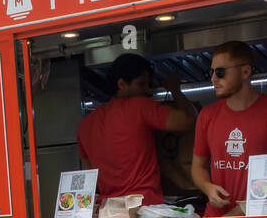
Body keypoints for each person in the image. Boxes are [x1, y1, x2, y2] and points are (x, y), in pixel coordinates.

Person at [77, 53, 195, 209]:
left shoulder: (85, 125)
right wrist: (175, 89)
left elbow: (89, 175)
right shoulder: (139, 106)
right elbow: (187, 120)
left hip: (109, 212)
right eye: (141, 84)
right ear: (121, 84)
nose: (147, 90)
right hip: (144, 208)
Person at [192, 41, 267, 217]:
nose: (213, 79)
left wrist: (239, 212)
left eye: (220, 72)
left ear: (245, 71)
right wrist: (207, 187)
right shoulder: (207, 115)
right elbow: (198, 166)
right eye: (212, 72)